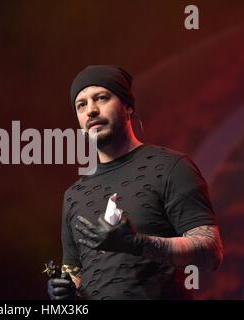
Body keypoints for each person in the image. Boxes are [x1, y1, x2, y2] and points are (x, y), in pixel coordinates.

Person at [47, 65, 224, 300]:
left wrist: (138, 244)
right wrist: (64, 293)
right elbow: (74, 274)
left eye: (101, 98)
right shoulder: (74, 195)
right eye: (81, 105)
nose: (91, 110)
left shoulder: (171, 167)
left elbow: (211, 251)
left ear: (128, 106)